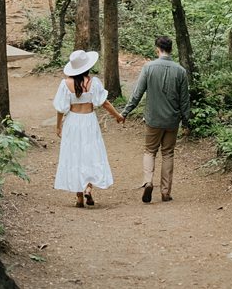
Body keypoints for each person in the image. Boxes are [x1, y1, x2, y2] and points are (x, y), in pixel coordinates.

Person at [121, 35, 190, 203]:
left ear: (157, 49)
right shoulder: (180, 70)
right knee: (168, 154)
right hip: (172, 120)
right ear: (171, 49)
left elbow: (137, 93)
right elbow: (184, 99)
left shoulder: (148, 68)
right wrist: (186, 120)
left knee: (150, 151)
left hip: (153, 119)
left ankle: (148, 182)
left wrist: (125, 112)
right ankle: (166, 192)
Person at [53, 48, 124, 207]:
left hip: (72, 122)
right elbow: (104, 103)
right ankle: (88, 188)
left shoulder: (65, 84)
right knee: (91, 154)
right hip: (89, 122)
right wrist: (117, 115)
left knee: (74, 155)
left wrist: (58, 127)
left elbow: (60, 109)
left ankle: (79, 197)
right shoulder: (94, 82)